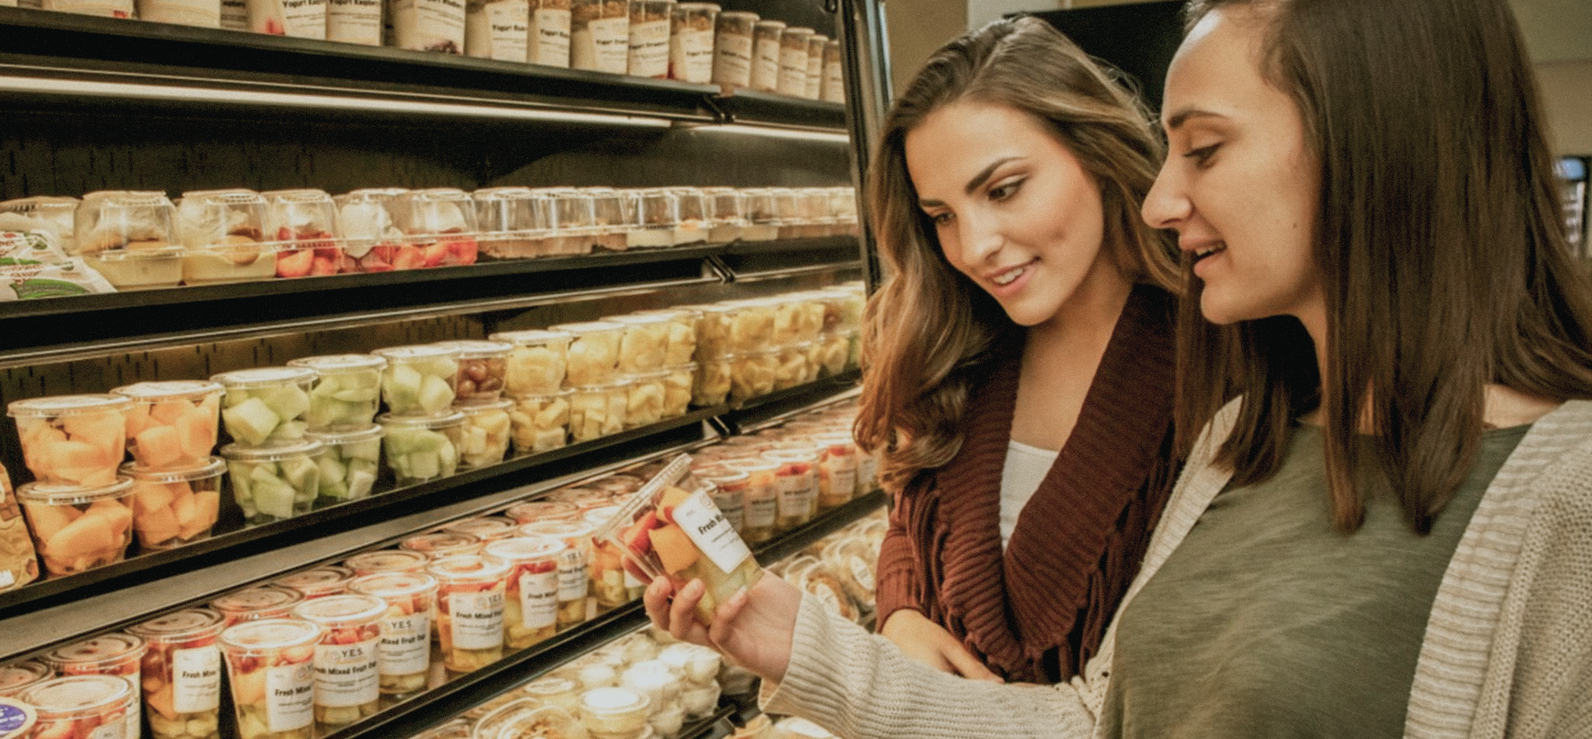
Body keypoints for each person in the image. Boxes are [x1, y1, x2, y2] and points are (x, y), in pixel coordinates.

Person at [646, 0, 1592, 736]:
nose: (1161, 200)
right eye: (940, 215)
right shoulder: (1249, 438)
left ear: (1371, 140)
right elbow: (1102, 717)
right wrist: (805, 639)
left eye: (1207, 149)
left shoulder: (1556, 498)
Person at [856, 16, 1183, 685]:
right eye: (942, 216)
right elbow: (915, 520)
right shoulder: (962, 344)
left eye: (1003, 190)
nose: (973, 247)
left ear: (1095, 151)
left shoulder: (1216, 354)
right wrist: (901, 613)